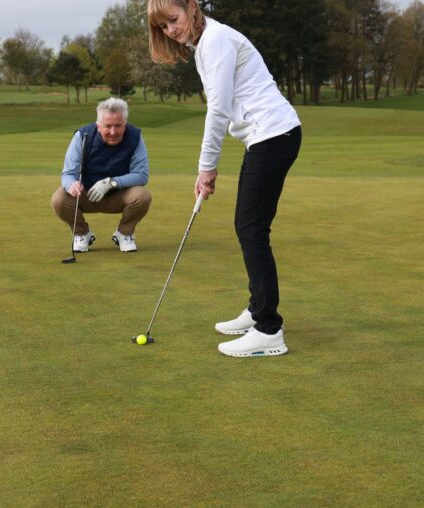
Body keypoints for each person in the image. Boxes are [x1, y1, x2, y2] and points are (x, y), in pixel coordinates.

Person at [147, 0, 302, 357]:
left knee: (251, 229)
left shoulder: (215, 40)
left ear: (191, 7)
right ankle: (257, 309)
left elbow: (218, 109)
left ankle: (268, 330)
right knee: (248, 227)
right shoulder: (207, 42)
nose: (171, 30)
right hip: (269, 136)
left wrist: (207, 166)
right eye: (163, 27)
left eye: (173, 19)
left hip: (273, 135)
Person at [51, 97, 152, 253]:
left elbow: (141, 175)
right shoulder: (83, 136)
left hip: (119, 195)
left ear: (125, 124)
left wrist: (111, 183)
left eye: (118, 126)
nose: (113, 132)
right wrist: (72, 184)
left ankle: (124, 233)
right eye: (108, 126)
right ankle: (81, 233)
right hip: (86, 194)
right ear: (98, 126)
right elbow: (68, 173)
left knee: (142, 196)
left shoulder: (135, 137)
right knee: (59, 199)